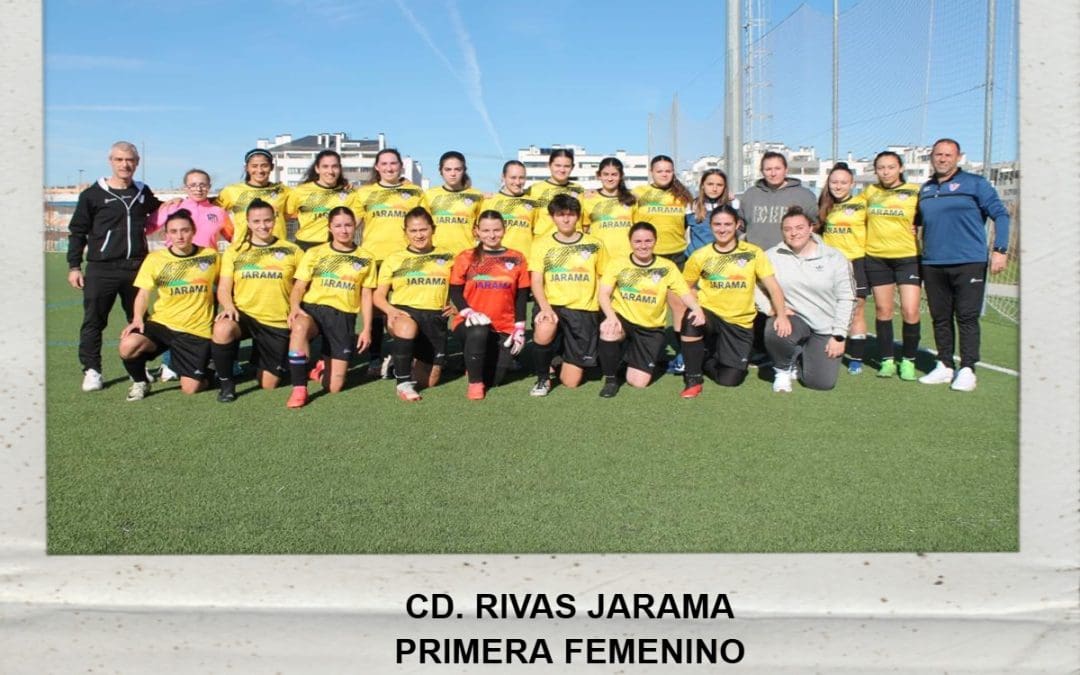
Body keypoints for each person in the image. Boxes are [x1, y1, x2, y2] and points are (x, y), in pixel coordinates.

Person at [916, 138, 1011, 392]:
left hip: (969, 261)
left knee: (967, 317)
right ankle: (945, 365)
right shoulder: (925, 189)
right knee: (940, 317)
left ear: (958, 158)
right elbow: (915, 223)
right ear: (932, 158)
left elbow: (1001, 214)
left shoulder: (975, 184)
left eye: (948, 155)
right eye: (938, 154)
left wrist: (1000, 249)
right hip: (933, 263)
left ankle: (968, 369)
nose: (942, 159)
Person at [67, 141, 163, 392]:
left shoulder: (143, 192)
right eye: (119, 160)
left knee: (140, 320)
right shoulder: (92, 194)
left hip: (136, 268)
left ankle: (138, 369)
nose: (125, 164)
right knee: (94, 321)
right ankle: (92, 370)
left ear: (137, 163)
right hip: (102, 268)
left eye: (129, 160)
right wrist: (74, 266)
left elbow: (166, 212)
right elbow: (77, 232)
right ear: (111, 161)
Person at [679, 204, 789, 397]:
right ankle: (693, 376)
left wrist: (781, 315)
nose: (722, 229)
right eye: (717, 224)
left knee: (730, 380)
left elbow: (773, 286)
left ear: (737, 224)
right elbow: (685, 287)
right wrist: (695, 307)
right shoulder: (700, 255)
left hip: (740, 323)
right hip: (710, 315)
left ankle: (704, 356)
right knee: (691, 319)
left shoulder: (753, 253)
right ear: (711, 226)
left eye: (728, 224)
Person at [116, 210, 219, 401]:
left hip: (195, 330)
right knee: (128, 345)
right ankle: (140, 382)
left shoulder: (211, 256)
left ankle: (212, 368)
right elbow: (143, 293)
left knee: (191, 389)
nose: (179, 236)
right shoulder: (155, 259)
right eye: (174, 231)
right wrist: (138, 318)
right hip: (162, 324)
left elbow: (224, 284)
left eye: (184, 230)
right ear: (167, 235)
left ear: (193, 231)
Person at [596, 222, 705, 398]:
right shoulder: (617, 264)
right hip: (623, 318)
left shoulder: (666, 267)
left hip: (650, 328)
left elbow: (684, 292)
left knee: (637, 382)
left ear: (655, 241)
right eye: (638, 241)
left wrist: (696, 309)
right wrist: (610, 317)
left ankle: (626, 357)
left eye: (648, 241)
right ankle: (611, 380)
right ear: (630, 242)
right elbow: (603, 294)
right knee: (609, 331)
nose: (643, 245)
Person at [284, 206, 377, 408]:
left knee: (334, 386)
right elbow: (299, 286)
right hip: (313, 310)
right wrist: (294, 308)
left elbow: (366, 294)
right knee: (299, 327)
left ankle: (318, 369)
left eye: (348, 225)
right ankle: (299, 388)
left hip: (343, 317)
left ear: (355, 226)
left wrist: (367, 329)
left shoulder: (366, 258)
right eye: (338, 225)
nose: (343, 230)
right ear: (330, 228)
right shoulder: (315, 253)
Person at [211, 199, 303, 402]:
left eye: (267, 220)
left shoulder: (292, 250)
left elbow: (301, 285)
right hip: (244, 315)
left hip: (276, 320)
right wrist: (228, 306)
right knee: (222, 328)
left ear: (275, 219)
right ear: (248, 222)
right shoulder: (235, 251)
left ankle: (262, 357)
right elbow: (224, 287)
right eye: (257, 221)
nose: (263, 226)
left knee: (269, 384)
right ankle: (227, 383)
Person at [346, 148, 428, 377]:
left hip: (406, 259)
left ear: (401, 166)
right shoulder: (364, 193)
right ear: (377, 167)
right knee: (375, 310)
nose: (390, 168)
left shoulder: (414, 191)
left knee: (405, 308)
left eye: (394, 163)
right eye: (385, 164)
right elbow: (351, 224)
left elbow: (423, 222)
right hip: (375, 259)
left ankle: (404, 354)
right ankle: (374, 358)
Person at [764, 206, 856, 392]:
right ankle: (782, 369)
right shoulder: (771, 256)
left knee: (821, 383)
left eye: (799, 227)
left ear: (810, 228)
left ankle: (800, 355)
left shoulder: (834, 257)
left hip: (825, 327)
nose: (794, 233)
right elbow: (755, 287)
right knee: (775, 330)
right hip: (794, 319)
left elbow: (847, 298)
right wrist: (770, 308)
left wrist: (839, 335)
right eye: (788, 229)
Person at [528, 194, 607, 396]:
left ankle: (558, 357)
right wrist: (545, 308)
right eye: (560, 215)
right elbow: (536, 280)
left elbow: (603, 278)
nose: (565, 219)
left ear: (578, 217)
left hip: (583, 310)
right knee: (545, 325)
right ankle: (542, 379)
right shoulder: (541, 244)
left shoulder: (595, 244)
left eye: (570, 215)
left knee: (570, 382)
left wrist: (605, 310)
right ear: (552, 217)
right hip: (552, 305)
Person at [373, 207, 454, 402]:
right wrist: (391, 311)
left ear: (432, 229)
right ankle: (403, 384)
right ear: (405, 232)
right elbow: (378, 296)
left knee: (429, 381)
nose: (419, 235)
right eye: (413, 231)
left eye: (423, 230)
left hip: (434, 318)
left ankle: (397, 362)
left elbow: (461, 288)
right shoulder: (394, 259)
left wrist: (457, 305)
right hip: (404, 314)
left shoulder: (448, 257)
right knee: (407, 327)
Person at [449, 211, 530, 400]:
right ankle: (474, 384)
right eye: (485, 230)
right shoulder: (466, 257)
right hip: (469, 324)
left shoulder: (517, 257)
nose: (491, 235)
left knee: (494, 379)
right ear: (477, 231)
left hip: (503, 326)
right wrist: (467, 312)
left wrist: (519, 327)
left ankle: (474, 365)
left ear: (504, 230)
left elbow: (521, 295)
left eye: (496, 230)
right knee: (479, 330)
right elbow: (454, 290)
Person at [632, 155, 695, 373]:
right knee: (648, 304)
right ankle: (645, 352)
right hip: (648, 258)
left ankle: (682, 354)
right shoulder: (639, 193)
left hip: (676, 256)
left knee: (678, 306)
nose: (664, 174)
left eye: (668, 171)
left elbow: (693, 221)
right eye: (660, 171)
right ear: (651, 172)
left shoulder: (683, 196)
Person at [863, 150, 922, 380]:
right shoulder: (870, 192)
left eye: (890, 167)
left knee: (910, 310)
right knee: (883, 310)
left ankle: (908, 360)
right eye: (881, 168)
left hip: (908, 258)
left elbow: (927, 217)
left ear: (901, 168)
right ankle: (887, 360)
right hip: (877, 258)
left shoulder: (915, 192)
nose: (885, 172)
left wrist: (919, 226)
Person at [818, 162, 870, 374]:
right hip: (831, 264)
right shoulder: (823, 205)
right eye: (834, 182)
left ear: (852, 183)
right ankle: (829, 349)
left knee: (856, 310)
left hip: (856, 263)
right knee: (829, 308)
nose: (838, 186)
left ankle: (856, 358)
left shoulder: (862, 203)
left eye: (843, 182)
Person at [215, 148, 292, 242]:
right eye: (254, 166)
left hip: (276, 249)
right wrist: (230, 234)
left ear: (272, 167)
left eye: (264, 166)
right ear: (246, 168)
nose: (259, 170)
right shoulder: (231, 191)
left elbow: (304, 211)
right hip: (244, 248)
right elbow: (213, 215)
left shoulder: (283, 191)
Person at [285, 149, 353, 250]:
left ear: (340, 168)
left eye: (334, 166)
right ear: (317, 169)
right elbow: (284, 217)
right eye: (325, 167)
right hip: (305, 246)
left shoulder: (349, 193)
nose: (330, 171)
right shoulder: (300, 191)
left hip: (335, 247)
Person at [150, 169, 233, 249]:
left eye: (203, 185)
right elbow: (145, 229)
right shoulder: (172, 207)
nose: (198, 189)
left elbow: (234, 239)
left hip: (207, 261)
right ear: (185, 187)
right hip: (177, 261)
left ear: (209, 187)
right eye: (193, 185)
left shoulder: (219, 212)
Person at [427, 151, 483, 256]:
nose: (453, 174)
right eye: (448, 169)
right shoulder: (429, 195)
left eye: (457, 169)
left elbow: (483, 227)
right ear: (440, 171)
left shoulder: (477, 196)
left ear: (464, 171)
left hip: (467, 255)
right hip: (437, 256)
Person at [480, 160, 537, 259]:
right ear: (503, 177)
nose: (518, 182)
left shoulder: (533, 203)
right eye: (513, 177)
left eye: (521, 178)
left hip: (525, 262)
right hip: (496, 261)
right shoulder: (489, 201)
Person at [582, 157, 637, 260]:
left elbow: (639, 231)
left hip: (627, 258)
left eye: (614, 174)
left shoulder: (632, 200)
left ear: (621, 176)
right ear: (599, 175)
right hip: (599, 258)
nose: (610, 178)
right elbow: (583, 232)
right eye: (605, 174)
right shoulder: (588, 199)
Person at [526, 148, 584, 242]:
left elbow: (583, 222)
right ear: (549, 165)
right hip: (544, 244)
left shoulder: (579, 190)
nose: (562, 170)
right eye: (557, 165)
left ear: (572, 167)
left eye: (567, 166)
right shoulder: (534, 190)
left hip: (572, 246)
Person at [686, 168, 734, 256]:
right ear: (702, 185)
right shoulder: (692, 206)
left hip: (723, 259)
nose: (714, 189)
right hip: (696, 260)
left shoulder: (733, 205)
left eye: (719, 185)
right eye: (710, 184)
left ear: (725, 187)